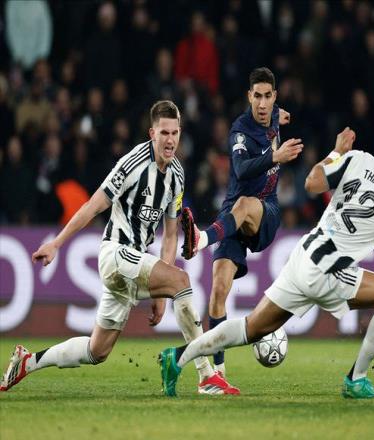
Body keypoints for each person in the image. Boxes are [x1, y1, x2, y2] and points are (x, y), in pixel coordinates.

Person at [0, 100, 238, 396]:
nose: (170, 140)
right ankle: (206, 376)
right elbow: (93, 205)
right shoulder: (132, 164)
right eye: (164, 133)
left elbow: (170, 235)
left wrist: (161, 295)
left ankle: (28, 361)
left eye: (175, 133)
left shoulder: (177, 174)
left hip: (134, 263)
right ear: (152, 133)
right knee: (182, 281)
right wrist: (57, 243)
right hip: (115, 254)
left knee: (97, 351)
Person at [159, 122, 374, 398]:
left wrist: (337, 152)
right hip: (330, 269)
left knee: (250, 328)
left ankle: (178, 357)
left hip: (303, 256)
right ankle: (357, 379)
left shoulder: (357, 159)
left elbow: (312, 183)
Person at [179, 67, 302, 386]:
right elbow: (242, 168)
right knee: (218, 291)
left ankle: (201, 239)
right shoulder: (240, 131)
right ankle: (218, 375)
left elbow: (279, 115)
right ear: (249, 96)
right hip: (233, 214)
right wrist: (275, 156)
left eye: (267, 96)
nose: (262, 103)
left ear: (274, 96)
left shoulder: (273, 114)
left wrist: (280, 118)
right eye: (256, 96)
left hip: (265, 212)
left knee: (246, 204)